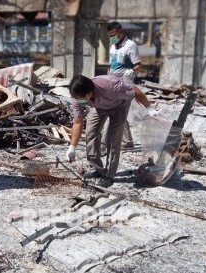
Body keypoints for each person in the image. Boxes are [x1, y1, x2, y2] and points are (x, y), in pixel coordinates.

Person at [65, 75, 158, 188]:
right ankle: (97, 169)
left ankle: (109, 175)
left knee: (113, 140)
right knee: (91, 133)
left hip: (119, 105)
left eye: (80, 98)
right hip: (98, 106)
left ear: (89, 93)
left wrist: (149, 108)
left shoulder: (111, 86)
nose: (77, 100)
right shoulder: (77, 98)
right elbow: (78, 122)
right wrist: (72, 147)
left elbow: (135, 91)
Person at [101, 21, 142, 150]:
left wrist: (132, 71)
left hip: (124, 83)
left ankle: (103, 145)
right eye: (109, 35)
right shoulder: (112, 46)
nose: (111, 37)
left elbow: (138, 65)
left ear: (120, 31)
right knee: (120, 112)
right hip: (112, 82)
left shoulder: (131, 45)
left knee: (113, 111)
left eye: (113, 34)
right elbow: (111, 64)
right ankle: (128, 141)